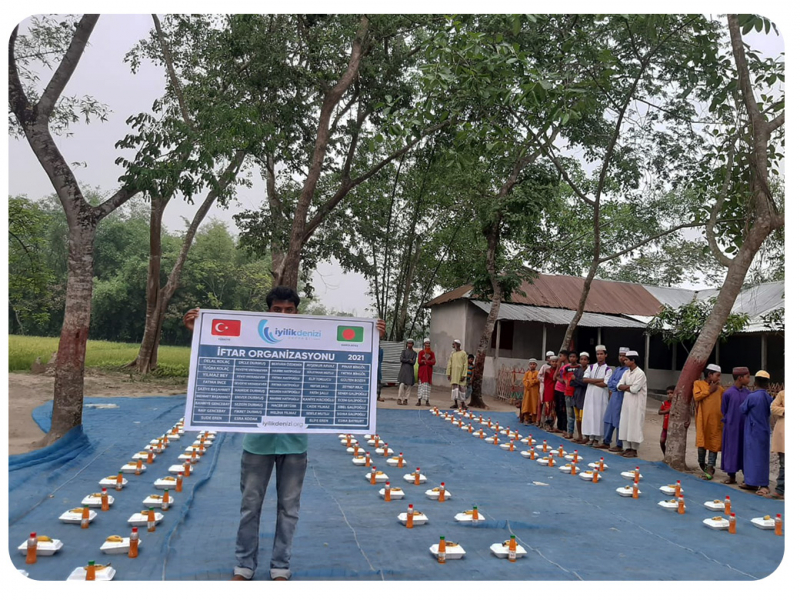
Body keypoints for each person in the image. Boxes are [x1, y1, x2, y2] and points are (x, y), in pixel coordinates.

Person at [184, 286, 386, 580]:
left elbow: (344, 365)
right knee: (250, 506)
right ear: (268, 312)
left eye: (288, 310)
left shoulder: (309, 343)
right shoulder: (253, 340)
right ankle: (244, 565)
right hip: (257, 443)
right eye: (276, 310)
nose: (282, 315)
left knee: (288, 508)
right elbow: (219, 358)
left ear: (296, 312)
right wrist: (197, 330)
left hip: (294, 443)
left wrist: (372, 337)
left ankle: (280, 565)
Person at [740, 370, 773, 496]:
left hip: (752, 431)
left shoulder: (752, 397)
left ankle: (757, 483)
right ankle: (756, 482)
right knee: (762, 458)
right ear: (767, 384)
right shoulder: (768, 397)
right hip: (764, 431)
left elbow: (742, 409)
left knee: (751, 457)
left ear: (755, 382)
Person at [693, 364, 724, 479]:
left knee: (713, 445)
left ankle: (710, 467)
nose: (719, 378)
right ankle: (702, 464)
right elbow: (697, 397)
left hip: (716, 422)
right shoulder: (698, 384)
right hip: (702, 421)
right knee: (702, 444)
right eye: (717, 375)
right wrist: (709, 391)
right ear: (710, 375)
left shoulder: (720, 389)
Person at [720, 367, 750, 485]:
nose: (749, 379)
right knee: (732, 450)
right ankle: (731, 476)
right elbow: (724, 410)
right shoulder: (728, 393)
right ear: (740, 378)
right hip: (731, 427)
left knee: (744, 450)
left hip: (745, 427)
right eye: (747, 377)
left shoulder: (748, 394)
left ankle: (747, 477)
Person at [617, 350, 647, 458]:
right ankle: (627, 448)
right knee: (625, 423)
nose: (624, 361)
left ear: (633, 361)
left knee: (634, 425)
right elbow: (618, 386)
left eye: (626, 360)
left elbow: (635, 389)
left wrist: (626, 387)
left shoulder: (640, 373)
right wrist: (628, 387)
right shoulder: (626, 372)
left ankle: (634, 449)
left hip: (637, 403)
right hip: (627, 402)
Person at [583, 345, 613, 448]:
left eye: (601, 354)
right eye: (598, 354)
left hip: (601, 397)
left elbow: (605, 384)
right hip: (590, 396)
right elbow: (585, 379)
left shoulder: (608, 370)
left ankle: (597, 439)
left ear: (605, 355)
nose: (599, 356)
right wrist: (599, 380)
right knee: (590, 415)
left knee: (599, 415)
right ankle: (591, 438)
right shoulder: (591, 367)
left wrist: (592, 381)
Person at [600, 347, 629, 452]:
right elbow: (610, 383)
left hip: (622, 398)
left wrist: (617, 385)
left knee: (618, 421)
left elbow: (622, 385)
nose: (622, 358)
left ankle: (619, 444)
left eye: (624, 356)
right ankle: (606, 442)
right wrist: (617, 385)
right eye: (620, 356)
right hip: (614, 397)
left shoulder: (628, 371)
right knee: (608, 419)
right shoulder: (617, 369)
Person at [570, 352, 590, 444]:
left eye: (585, 359)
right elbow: (572, 383)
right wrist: (578, 381)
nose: (583, 361)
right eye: (581, 359)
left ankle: (586, 436)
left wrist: (576, 380)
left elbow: (585, 384)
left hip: (584, 396)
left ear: (588, 361)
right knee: (577, 418)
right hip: (576, 395)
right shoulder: (577, 370)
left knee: (583, 418)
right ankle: (580, 435)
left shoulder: (589, 370)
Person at [562, 351, 580, 439]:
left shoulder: (579, 367)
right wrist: (566, 381)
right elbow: (563, 375)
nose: (572, 358)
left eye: (574, 357)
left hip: (577, 394)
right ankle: (570, 432)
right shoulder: (567, 367)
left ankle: (580, 435)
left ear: (577, 358)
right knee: (569, 414)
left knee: (578, 415)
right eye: (570, 357)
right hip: (568, 392)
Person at [770, 389, 784, 500]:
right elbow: (773, 407)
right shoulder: (782, 394)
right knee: (784, 464)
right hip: (783, 434)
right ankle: (780, 489)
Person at [446, 339, 468, 409]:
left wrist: (464, 375)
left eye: (454, 344)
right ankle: (455, 403)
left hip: (461, 374)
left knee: (462, 389)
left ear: (458, 345)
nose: (453, 345)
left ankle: (463, 404)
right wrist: (448, 373)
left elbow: (465, 365)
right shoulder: (452, 353)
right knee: (454, 389)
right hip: (454, 374)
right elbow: (449, 363)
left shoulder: (463, 353)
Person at [553, 350, 569, 433]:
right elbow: (554, 377)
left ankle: (564, 427)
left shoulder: (568, 367)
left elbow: (562, 380)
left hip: (563, 390)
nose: (560, 358)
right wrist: (558, 367)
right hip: (557, 389)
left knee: (562, 409)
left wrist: (557, 378)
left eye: (561, 356)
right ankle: (559, 426)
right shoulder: (562, 366)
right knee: (557, 408)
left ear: (565, 356)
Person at [537, 351, 555, 427]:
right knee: (543, 404)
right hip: (544, 386)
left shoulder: (556, 368)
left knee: (552, 406)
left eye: (553, 359)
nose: (551, 360)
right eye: (549, 358)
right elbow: (539, 376)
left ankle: (550, 423)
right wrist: (544, 380)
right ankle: (541, 422)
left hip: (552, 387)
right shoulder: (544, 367)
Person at [542, 354, 559, 431]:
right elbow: (552, 379)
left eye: (556, 362)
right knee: (548, 408)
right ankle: (547, 424)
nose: (554, 363)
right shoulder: (547, 371)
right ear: (550, 362)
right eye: (553, 361)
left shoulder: (559, 370)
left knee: (554, 408)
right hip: (549, 390)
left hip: (556, 390)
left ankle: (552, 424)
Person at [416, 338, 435, 407]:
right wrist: (423, 361)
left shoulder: (432, 353)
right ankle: (419, 401)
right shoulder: (421, 352)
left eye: (429, 343)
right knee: (420, 386)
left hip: (428, 372)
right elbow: (419, 361)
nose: (428, 345)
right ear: (424, 344)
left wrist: (426, 361)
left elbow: (433, 362)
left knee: (427, 387)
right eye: (426, 343)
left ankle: (427, 401)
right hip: (422, 372)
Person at [397, 339, 417, 406]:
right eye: (408, 343)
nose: (410, 345)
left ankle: (406, 399)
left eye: (411, 343)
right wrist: (409, 360)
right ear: (407, 344)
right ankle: (399, 398)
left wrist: (407, 360)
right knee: (401, 384)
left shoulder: (414, 353)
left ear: (413, 344)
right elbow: (401, 359)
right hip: (403, 370)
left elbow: (413, 362)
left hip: (410, 371)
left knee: (409, 386)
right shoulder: (404, 352)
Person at [521, 359, 540, 425]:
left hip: (534, 392)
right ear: (529, 365)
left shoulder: (538, 373)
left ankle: (534, 420)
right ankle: (526, 419)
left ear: (536, 365)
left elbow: (538, 380)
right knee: (527, 404)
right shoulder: (527, 373)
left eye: (533, 364)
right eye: (531, 364)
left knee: (534, 405)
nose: (532, 365)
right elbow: (524, 381)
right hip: (528, 391)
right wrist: (528, 383)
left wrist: (532, 382)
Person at [658, 385, 675, 456]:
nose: (669, 395)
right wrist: (668, 411)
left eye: (671, 393)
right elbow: (659, 412)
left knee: (671, 443)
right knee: (662, 441)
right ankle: (665, 455)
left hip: (673, 428)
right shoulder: (665, 403)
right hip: (665, 427)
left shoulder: (677, 403)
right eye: (668, 393)